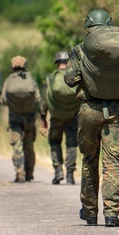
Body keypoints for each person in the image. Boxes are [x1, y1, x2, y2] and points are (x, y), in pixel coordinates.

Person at [63, 9, 119, 227]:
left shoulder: (79, 50)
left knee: (89, 161)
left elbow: (69, 80)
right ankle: (111, 213)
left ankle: (89, 211)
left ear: (89, 27)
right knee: (112, 162)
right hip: (115, 111)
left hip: (89, 110)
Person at [40, 50, 80, 185]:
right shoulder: (75, 79)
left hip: (56, 117)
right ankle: (69, 175)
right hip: (73, 116)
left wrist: (42, 118)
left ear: (57, 63)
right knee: (72, 144)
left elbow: (44, 101)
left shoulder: (50, 79)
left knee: (55, 142)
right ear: (68, 63)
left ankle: (58, 171)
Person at [0, 55, 41, 183]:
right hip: (29, 118)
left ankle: (19, 172)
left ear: (13, 66)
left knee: (17, 146)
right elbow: (38, 99)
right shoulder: (30, 79)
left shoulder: (8, 81)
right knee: (28, 146)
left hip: (14, 119)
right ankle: (29, 173)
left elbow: (2, 100)